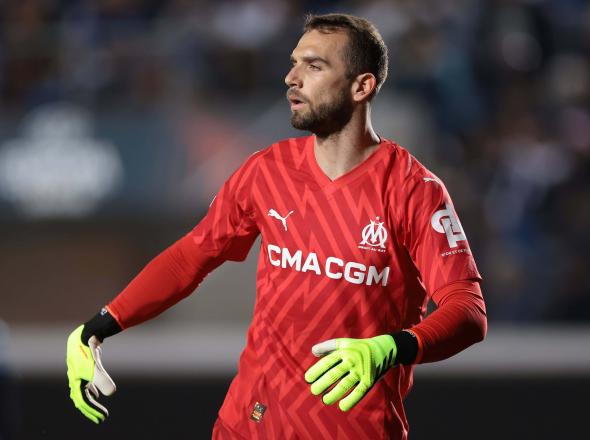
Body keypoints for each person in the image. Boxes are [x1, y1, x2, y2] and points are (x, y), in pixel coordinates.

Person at [66, 13, 487, 440]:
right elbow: (192, 256)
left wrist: (390, 348)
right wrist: (99, 326)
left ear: (362, 86)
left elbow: (468, 312)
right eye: (294, 62)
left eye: (315, 65)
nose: (291, 77)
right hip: (246, 425)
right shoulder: (267, 171)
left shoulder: (413, 191)